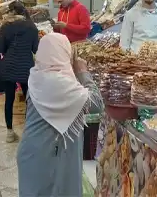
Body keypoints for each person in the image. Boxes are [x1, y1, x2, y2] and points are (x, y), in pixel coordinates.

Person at [17, 33, 103, 197]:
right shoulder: (57, 82)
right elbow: (96, 105)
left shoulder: (37, 74)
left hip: (37, 152)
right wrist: (83, 73)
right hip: (49, 156)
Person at [0, 2, 39, 143]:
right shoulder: (32, 26)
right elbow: (35, 48)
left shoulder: (6, 26)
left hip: (9, 66)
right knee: (29, 100)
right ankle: (29, 131)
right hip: (26, 67)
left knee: (9, 100)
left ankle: (9, 132)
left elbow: (0, 49)